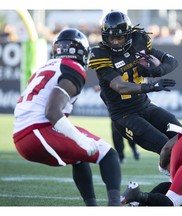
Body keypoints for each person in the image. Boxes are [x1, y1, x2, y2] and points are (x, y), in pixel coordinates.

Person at [88, 11, 182, 205]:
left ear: (128, 34)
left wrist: (155, 71)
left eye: (119, 37)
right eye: (111, 37)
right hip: (125, 116)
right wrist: (150, 85)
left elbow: (171, 61)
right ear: (104, 36)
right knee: (165, 146)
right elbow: (120, 86)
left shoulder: (139, 40)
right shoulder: (100, 55)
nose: (116, 42)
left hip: (145, 106)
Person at [12, 28, 122, 206]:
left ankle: (92, 207)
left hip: (21, 137)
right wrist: (80, 139)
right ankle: (115, 207)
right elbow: (52, 111)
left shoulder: (45, 67)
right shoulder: (73, 67)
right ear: (80, 52)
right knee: (108, 155)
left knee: (79, 158)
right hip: (38, 131)